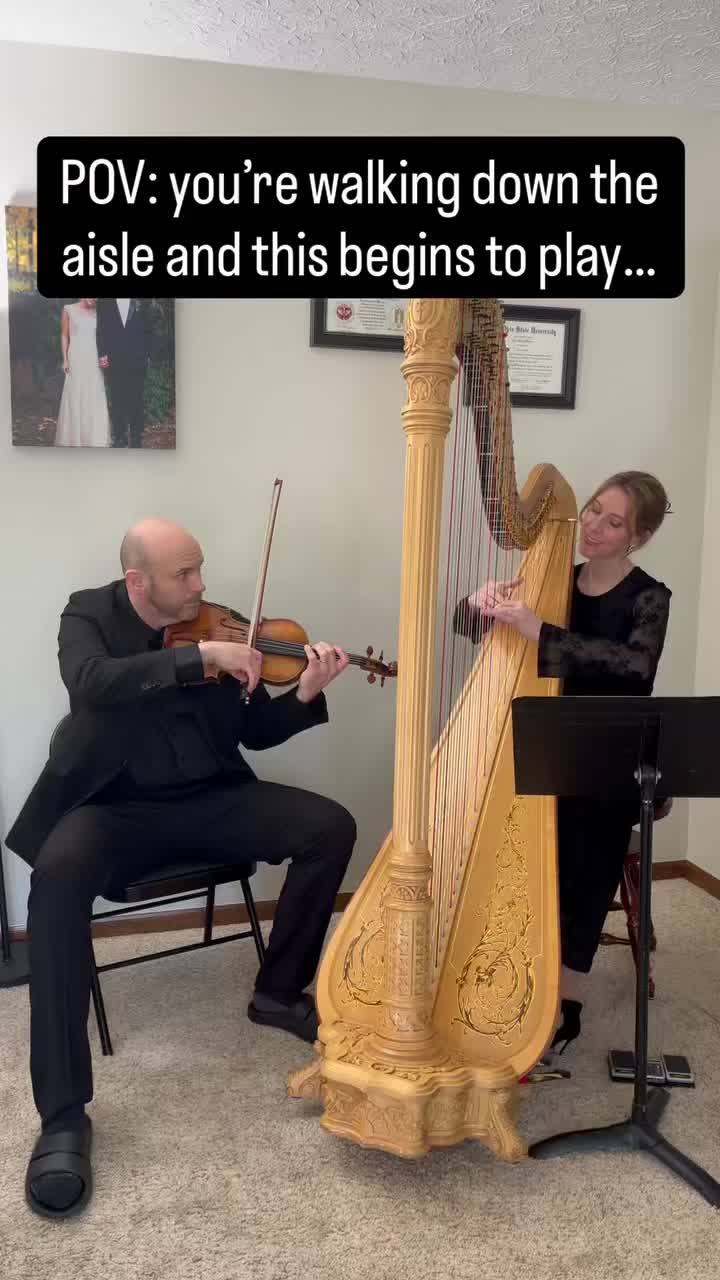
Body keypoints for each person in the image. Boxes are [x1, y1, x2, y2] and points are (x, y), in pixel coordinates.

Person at [6, 518, 357, 1219]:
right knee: (56, 877)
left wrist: (307, 693)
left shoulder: (214, 622)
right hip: (111, 808)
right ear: (138, 581)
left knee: (330, 828)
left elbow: (252, 730)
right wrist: (199, 658)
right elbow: (91, 680)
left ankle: (280, 990)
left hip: (210, 798)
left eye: (199, 571)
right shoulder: (89, 614)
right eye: (184, 575)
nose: (201, 586)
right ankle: (65, 1116)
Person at [454, 471, 671, 1055]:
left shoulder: (650, 597)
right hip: (544, 743)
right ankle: (503, 964)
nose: (594, 527)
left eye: (614, 521)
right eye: (594, 511)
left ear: (639, 537)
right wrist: (477, 605)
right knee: (505, 843)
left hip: (607, 762)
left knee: (584, 858)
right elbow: (468, 627)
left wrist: (539, 629)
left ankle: (564, 1003)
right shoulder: (552, 579)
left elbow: (634, 667)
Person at [54, 299, 111, 448]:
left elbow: (104, 337)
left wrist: (105, 355)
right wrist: (65, 359)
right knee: (75, 394)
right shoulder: (68, 309)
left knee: (94, 394)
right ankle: (74, 439)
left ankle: (95, 438)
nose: (95, 299)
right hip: (76, 358)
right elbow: (64, 335)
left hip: (93, 358)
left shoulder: (100, 313)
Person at [96, 298, 151, 447]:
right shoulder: (105, 304)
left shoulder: (141, 303)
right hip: (115, 361)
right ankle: (119, 436)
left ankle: (136, 436)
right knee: (117, 400)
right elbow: (101, 330)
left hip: (137, 361)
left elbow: (147, 330)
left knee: (136, 401)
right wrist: (102, 354)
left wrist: (147, 355)